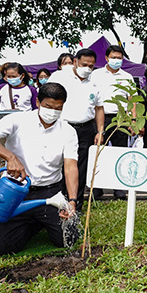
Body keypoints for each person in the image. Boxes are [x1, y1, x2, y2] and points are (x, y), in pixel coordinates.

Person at [0, 83, 79, 256]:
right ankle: (32, 222)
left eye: (58, 108)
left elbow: (70, 167)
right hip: (16, 193)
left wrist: (72, 200)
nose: (52, 112)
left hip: (50, 193)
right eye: (48, 106)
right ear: (37, 102)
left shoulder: (68, 131)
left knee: (68, 239)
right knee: (3, 249)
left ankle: (41, 219)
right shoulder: (17, 120)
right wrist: (10, 157)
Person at [48, 48, 104, 209]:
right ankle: (57, 202)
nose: (87, 68)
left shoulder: (95, 82)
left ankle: (75, 204)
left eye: (91, 66)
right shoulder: (60, 77)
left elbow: (99, 108)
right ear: (75, 61)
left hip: (85, 129)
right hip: (62, 127)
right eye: (84, 64)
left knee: (81, 168)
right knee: (58, 164)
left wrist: (100, 131)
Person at [90, 45, 135, 199]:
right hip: (99, 118)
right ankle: (97, 188)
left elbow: (132, 100)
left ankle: (119, 189)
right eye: (114, 57)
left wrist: (132, 120)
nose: (117, 60)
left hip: (120, 119)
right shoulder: (95, 75)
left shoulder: (127, 77)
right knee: (98, 153)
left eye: (119, 58)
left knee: (120, 153)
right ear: (107, 58)